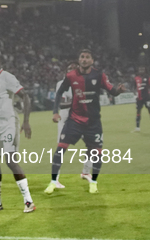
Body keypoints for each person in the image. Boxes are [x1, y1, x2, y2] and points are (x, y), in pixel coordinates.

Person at [45, 49, 126, 194]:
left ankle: (93, 182)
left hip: (93, 122)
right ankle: (52, 182)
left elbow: (111, 90)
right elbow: (59, 93)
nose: (84, 59)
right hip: (74, 120)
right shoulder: (70, 76)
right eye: (82, 57)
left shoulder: (99, 75)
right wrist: (55, 112)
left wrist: (119, 90)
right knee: (61, 148)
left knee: (96, 152)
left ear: (92, 61)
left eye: (87, 57)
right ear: (79, 59)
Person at [0, 55, 35, 213]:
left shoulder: (6, 77)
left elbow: (25, 96)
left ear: (0, 61)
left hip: (8, 125)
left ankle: (28, 201)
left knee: (10, 161)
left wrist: (26, 121)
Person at [55, 62, 93, 186]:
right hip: (66, 116)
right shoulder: (61, 84)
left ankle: (86, 172)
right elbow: (61, 104)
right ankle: (55, 179)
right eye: (69, 69)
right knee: (61, 148)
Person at [134, 66, 150, 132]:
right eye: (140, 69)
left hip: (147, 98)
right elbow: (134, 87)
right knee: (138, 112)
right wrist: (135, 94)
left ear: (145, 70)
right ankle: (137, 127)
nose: (141, 71)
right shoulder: (136, 78)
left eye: (142, 69)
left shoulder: (148, 77)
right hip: (139, 98)